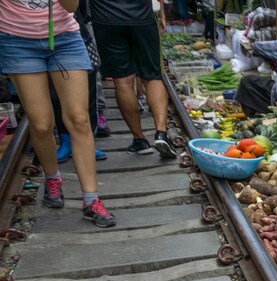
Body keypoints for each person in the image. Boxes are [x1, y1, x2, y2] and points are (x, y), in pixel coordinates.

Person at [0, 0, 117, 227]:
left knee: (79, 119)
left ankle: (91, 200)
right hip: (17, 42)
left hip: (65, 39)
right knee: (42, 124)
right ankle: (53, 178)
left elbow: (72, 6)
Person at [89, 0, 177, 158]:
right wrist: (161, 12)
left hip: (107, 19)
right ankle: (161, 134)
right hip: (142, 17)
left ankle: (139, 140)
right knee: (152, 77)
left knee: (122, 81)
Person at [52, 0, 107, 163]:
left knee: (88, 89)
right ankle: (65, 140)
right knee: (55, 94)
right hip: (41, 32)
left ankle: (87, 140)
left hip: (77, 27)